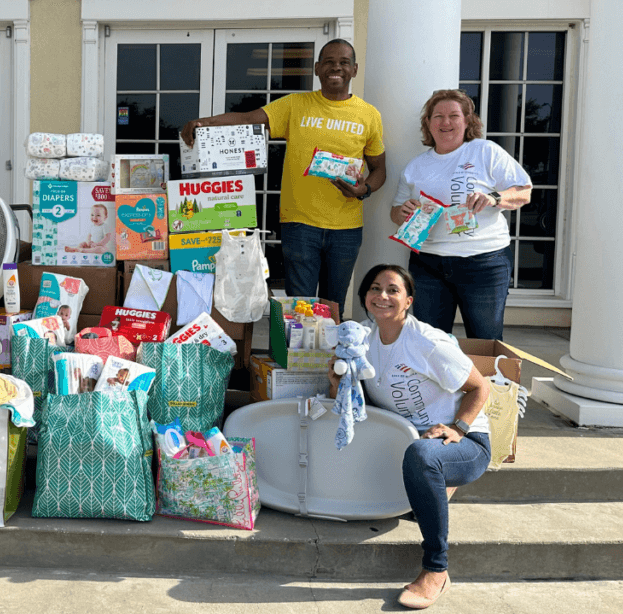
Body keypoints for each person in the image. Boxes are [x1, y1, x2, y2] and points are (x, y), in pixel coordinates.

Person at [180, 39, 386, 314]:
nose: (336, 67)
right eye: (329, 62)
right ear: (316, 68)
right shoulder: (295, 105)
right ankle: (295, 358)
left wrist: (365, 190)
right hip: (300, 223)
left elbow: (380, 168)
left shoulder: (368, 115)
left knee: (332, 304)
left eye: (344, 62)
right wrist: (204, 122)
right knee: (298, 308)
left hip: (346, 228)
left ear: (354, 70)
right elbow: (247, 119)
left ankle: (331, 357)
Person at [328, 264, 491, 609]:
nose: (382, 296)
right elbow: (360, 404)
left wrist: (459, 428)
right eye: (374, 288)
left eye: (392, 290)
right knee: (414, 456)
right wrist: (336, 382)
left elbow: (481, 386)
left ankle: (436, 569)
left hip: (464, 443)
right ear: (364, 298)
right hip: (409, 441)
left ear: (408, 300)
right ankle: (434, 486)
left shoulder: (426, 342)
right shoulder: (364, 343)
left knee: (422, 455)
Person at [390, 90, 532, 340]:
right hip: (428, 264)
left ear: (467, 121)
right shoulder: (415, 166)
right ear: (428, 123)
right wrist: (403, 212)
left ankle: (485, 381)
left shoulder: (485, 151)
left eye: (454, 116)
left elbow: (524, 191)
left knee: (485, 341)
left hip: (483, 263)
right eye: (438, 116)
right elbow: (396, 212)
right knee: (430, 342)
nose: (445, 122)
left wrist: (494, 198)